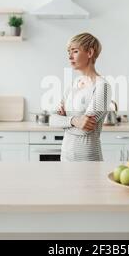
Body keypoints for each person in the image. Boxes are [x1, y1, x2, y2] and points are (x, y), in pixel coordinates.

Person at [49, 33, 112, 162]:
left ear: (90, 52)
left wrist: (64, 120)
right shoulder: (73, 84)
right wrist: (73, 121)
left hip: (88, 159)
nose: (70, 56)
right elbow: (52, 120)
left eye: (75, 51)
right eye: (68, 52)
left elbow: (85, 128)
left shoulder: (102, 86)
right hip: (65, 157)